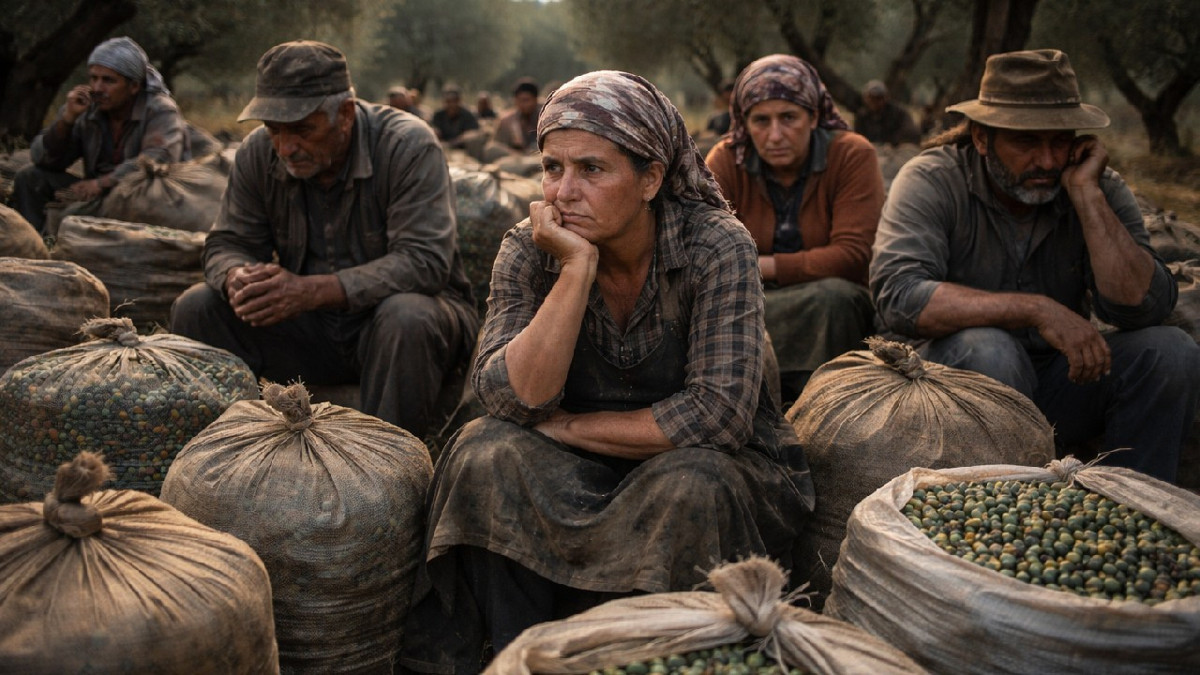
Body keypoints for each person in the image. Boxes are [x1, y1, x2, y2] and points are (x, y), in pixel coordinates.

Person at [398, 70, 815, 674]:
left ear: (650, 179)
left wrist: (568, 428)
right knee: (482, 453)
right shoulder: (528, 247)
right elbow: (512, 397)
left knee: (692, 482)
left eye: (592, 169)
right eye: (552, 168)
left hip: (702, 462)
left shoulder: (715, 246)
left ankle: (661, 655)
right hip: (571, 465)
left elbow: (716, 416)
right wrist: (575, 270)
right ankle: (521, 654)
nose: (564, 192)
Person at [870, 49, 1200, 483]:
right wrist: (1036, 309)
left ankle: (1131, 501)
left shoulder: (1094, 184)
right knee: (991, 349)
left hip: (1060, 379)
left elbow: (1145, 306)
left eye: (1059, 141)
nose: (1046, 161)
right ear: (982, 138)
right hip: (950, 387)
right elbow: (899, 295)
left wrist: (1087, 196)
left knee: (1170, 351)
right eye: (1027, 142)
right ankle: (1008, 506)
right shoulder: (932, 179)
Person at [169, 41, 479, 440]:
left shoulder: (406, 145)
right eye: (274, 129)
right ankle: (223, 448)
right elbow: (226, 242)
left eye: (303, 129)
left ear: (345, 114)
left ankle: (389, 460)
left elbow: (424, 262)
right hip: (313, 330)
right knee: (197, 307)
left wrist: (310, 291)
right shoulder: (257, 152)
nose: (286, 147)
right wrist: (236, 276)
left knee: (407, 315)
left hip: (396, 328)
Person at [705, 54, 884, 403]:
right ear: (744, 122)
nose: (775, 135)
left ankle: (823, 402)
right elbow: (704, 249)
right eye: (761, 120)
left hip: (827, 301)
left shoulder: (851, 154)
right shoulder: (727, 159)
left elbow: (852, 255)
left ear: (813, 117)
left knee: (834, 298)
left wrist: (760, 265)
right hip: (751, 298)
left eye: (788, 118)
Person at [14, 36, 190, 233]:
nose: (97, 88)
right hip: (99, 194)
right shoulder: (89, 107)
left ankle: (60, 235)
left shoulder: (159, 109)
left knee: (73, 215)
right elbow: (44, 160)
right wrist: (67, 120)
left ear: (134, 86)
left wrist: (101, 183)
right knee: (30, 178)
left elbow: (158, 159)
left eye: (108, 80)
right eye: (94, 78)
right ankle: (33, 243)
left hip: (143, 196)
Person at [853, 79, 921, 146]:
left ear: (886, 98)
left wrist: (893, 142)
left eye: (878, 98)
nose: (875, 102)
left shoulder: (899, 113)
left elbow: (911, 133)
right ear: (865, 98)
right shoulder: (862, 116)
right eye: (871, 98)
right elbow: (858, 136)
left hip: (895, 148)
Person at [492, 77, 541, 153]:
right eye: (519, 100)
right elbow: (498, 144)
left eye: (526, 100)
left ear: (535, 100)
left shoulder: (544, 118)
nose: (523, 104)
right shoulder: (506, 121)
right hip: (514, 156)